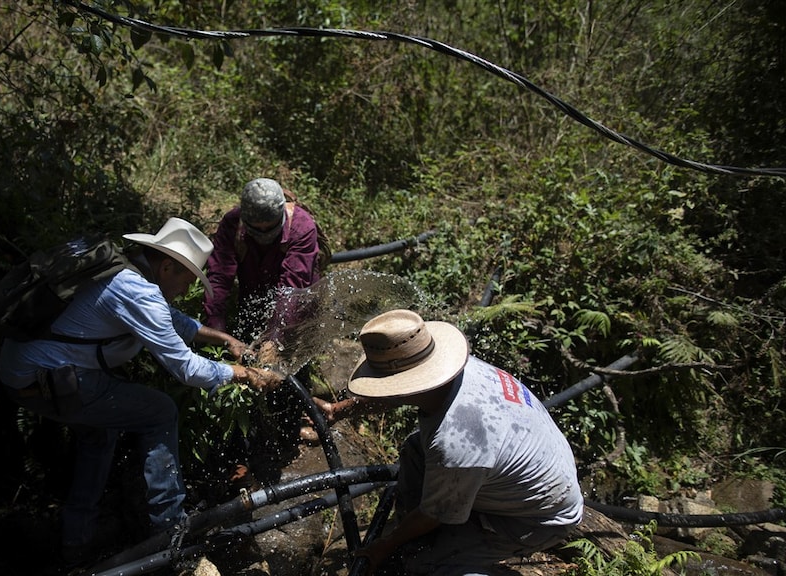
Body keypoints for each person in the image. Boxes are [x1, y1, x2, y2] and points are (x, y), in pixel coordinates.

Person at [0, 217, 282, 566]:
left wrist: (226, 340)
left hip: (28, 371)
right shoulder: (137, 291)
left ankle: (76, 541)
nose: (186, 289)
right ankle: (171, 533)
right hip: (43, 380)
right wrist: (242, 374)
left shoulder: (124, 271)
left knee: (100, 433)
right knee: (159, 412)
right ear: (166, 266)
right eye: (188, 280)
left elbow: (171, 319)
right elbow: (188, 370)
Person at [344, 309, 583, 576]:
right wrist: (338, 409)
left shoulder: (456, 441)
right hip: (534, 468)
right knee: (416, 448)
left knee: (422, 564)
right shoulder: (462, 368)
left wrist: (386, 545)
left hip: (536, 517)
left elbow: (432, 514)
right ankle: (424, 537)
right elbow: (394, 394)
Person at [203, 178, 323, 483]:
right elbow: (218, 281)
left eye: (270, 229)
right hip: (253, 298)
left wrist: (273, 340)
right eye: (257, 231)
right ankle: (244, 447)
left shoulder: (302, 227)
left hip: (297, 308)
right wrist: (216, 337)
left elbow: (291, 289)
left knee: (292, 370)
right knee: (246, 378)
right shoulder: (232, 224)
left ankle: (286, 437)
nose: (265, 236)